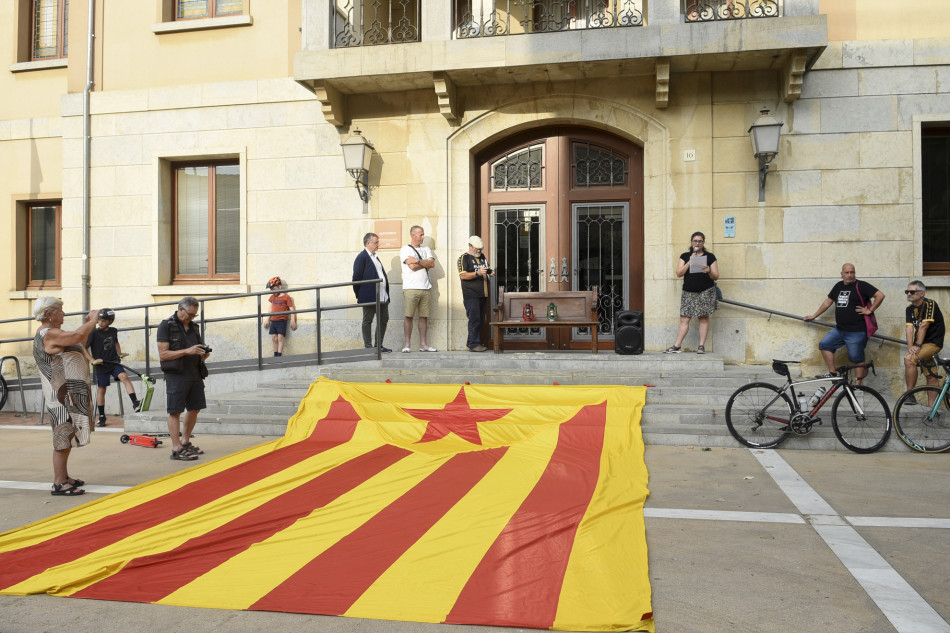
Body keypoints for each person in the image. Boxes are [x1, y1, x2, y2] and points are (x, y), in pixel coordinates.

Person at [33, 298, 100, 496]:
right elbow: (77, 335)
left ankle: (64, 476)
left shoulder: (56, 333)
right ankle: (59, 483)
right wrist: (92, 321)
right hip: (61, 396)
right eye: (60, 310)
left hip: (68, 393)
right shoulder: (49, 333)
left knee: (68, 435)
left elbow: (79, 341)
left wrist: (87, 325)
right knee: (62, 437)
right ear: (49, 314)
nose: (64, 313)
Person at [804, 263, 884, 385]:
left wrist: (870, 310)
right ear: (841, 274)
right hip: (840, 329)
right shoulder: (838, 286)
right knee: (825, 344)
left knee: (857, 359)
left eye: (852, 272)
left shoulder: (862, 286)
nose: (849, 275)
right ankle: (833, 374)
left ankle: (857, 387)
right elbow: (828, 302)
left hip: (857, 331)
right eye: (847, 273)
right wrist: (814, 315)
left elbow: (880, 295)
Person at [157, 296, 210, 461]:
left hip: (194, 372)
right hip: (176, 374)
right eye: (190, 314)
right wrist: (187, 351)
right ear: (181, 309)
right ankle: (176, 447)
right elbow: (163, 354)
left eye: (194, 315)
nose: (192, 317)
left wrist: (203, 353)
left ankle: (185, 441)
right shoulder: (166, 325)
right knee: (175, 411)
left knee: (195, 408)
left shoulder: (194, 327)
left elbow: (196, 349)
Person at [664, 231, 719, 354]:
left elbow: (716, 276)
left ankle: (701, 346)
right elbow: (679, 273)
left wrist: (709, 270)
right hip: (688, 291)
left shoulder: (710, 257)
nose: (697, 243)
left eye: (700, 241)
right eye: (695, 241)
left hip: (706, 291)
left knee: (703, 318)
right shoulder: (685, 256)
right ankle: (677, 346)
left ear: (703, 243)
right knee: (684, 318)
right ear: (691, 242)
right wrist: (690, 262)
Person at [86, 308, 140, 427]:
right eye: (99, 320)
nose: (100, 323)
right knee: (102, 389)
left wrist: (119, 353)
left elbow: (116, 342)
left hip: (114, 362)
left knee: (124, 376)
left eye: (103, 321)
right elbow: (84, 348)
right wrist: (93, 360)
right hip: (101, 365)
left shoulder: (113, 331)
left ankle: (135, 403)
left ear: (110, 321)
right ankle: (101, 416)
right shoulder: (93, 333)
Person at [903, 280, 944, 395]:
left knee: (909, 360)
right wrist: (910, 347)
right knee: (931, 376)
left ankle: (909, 394)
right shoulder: (909, 308)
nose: (909, 294)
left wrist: (917, 346)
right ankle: (933, 407)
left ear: (922, 293)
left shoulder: (930, 304)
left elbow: (924, 326)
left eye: (912, 292)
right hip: (921, 344)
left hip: (933, 343)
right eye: (907, 291)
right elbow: (909, 328)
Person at [400, 225, 437, 353]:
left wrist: (417, 260)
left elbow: (432, 264)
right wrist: (424, 263)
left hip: (425, 288)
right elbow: (412, 267)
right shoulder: (405, 249)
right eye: (420, 234)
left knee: (423, 316)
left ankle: (423, 344)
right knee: (408, 316)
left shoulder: (426, 249)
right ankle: (407, 345)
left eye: (423, 234)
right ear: (413, 235)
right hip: (411, 288)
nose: (422, 237)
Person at [352, 233, 391, 353]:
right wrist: (360, 295)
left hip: (382, 295)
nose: (378, 245)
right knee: (368, 320)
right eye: (376, 242)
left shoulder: (375, 257)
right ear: (368, 243)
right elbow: (356, 278)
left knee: (383, 319)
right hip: (369, 296)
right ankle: (368, 348)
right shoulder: (362, 257)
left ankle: (378, 346)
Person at [457, 235, 493, 352]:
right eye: (477, 248)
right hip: (471, 294)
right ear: (470, 246)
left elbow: (487, 268)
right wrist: (477, 273)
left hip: (483, 293)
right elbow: (463, 276)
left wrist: (490, 272)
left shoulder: (482, 257)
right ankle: (473, 344)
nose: (479, 251)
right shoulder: (463, 258)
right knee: (474, 319)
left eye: (480, 249)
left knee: (481, 319)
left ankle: (476, 342)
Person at [262, 276, 297, 357]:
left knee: (280, 338)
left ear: (279, 287)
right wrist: (267, 319)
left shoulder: (286, 297)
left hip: (281, 320)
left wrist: (293, 320)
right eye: (271, 290)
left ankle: (279, 356)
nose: (272, 291)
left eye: (274, 289)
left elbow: (292, 309)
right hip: (273, 320)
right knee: (274, 338)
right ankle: (275, 356)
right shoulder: (273, 297)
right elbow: (270, 308)